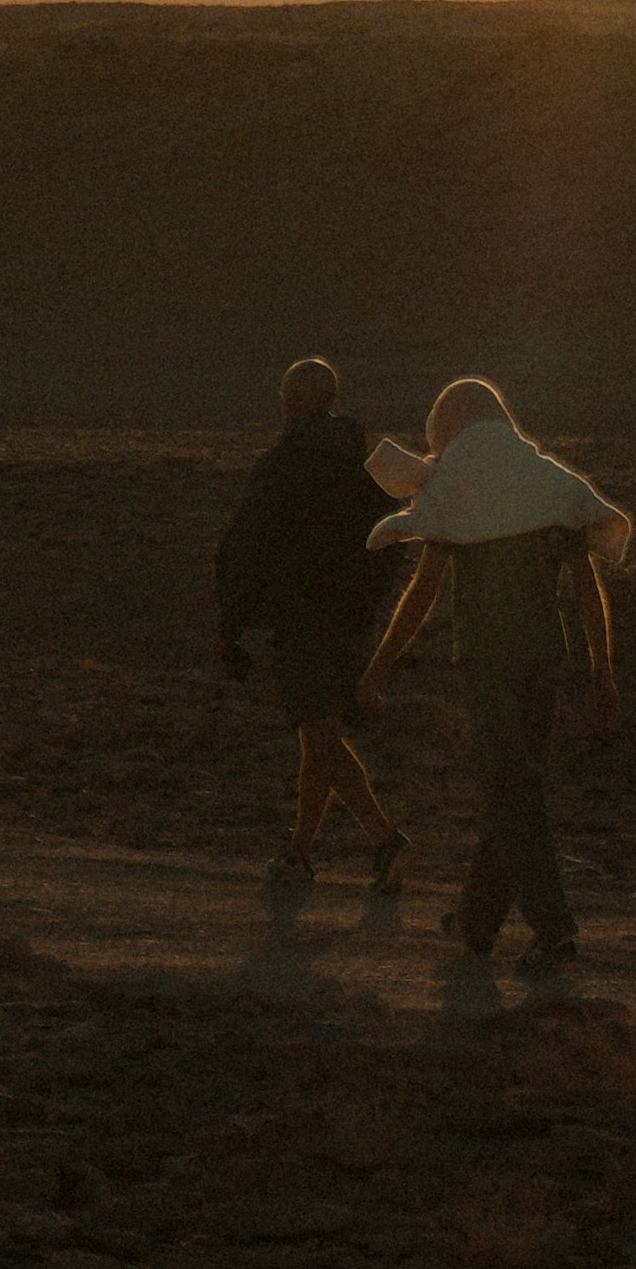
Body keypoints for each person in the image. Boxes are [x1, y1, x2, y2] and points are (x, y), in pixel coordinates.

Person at [356, 377, 630, 971]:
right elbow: (587, 587)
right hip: (545, 658)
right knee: (515, 790)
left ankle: (555, 932)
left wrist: (378, 668)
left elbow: (424, 592)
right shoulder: (553, 484)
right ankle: (476, 923)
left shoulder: (457, 485)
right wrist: (602, 671)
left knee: (512, 792)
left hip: (486, 662)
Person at [212, 355, 407, 887]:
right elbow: (390, 540)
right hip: (351, 622)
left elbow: (244, 546)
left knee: (318, 734)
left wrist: (230, 626)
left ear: (294, 401)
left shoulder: (281, 465)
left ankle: (377, 842)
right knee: (320, 734)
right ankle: (310, 852)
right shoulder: (364, 466)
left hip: (300, 620)